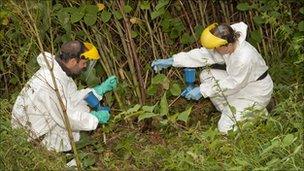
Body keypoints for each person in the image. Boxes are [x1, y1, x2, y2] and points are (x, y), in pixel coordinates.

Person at [151, 22, 273, 134]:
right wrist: (173, 60)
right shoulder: (229, 39)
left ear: (228, 45)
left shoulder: (244, 58)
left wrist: (201, 90)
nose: (214, 50)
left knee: (225, 129)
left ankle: (258, 113)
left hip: (255, 92)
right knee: (207, 75)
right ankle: (230, 112)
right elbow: (204, 54)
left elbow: (233, 84)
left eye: (217, 48)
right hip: (241, 84)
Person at [11, 40, 118, 152]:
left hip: (40, 125)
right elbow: (67, 117)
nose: (85, 66)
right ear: (72, 61)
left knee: (82, 109)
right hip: (33, 138)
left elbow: (71, 98)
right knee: (80, 116)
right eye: (83, 63)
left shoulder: (60, 73)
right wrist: (95, 118)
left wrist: (99, 90)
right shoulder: (51, 82)